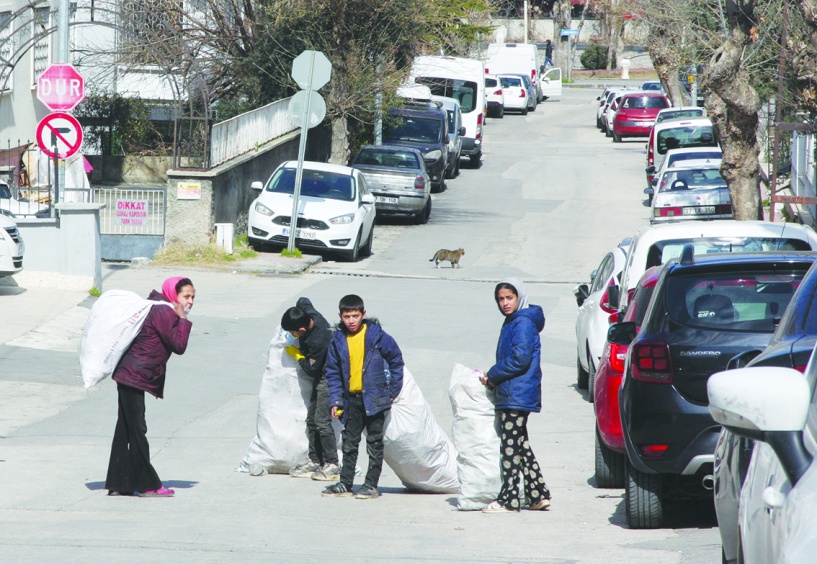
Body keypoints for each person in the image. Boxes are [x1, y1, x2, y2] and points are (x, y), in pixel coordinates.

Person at [105, 277, 195, 497]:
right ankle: (148, 485)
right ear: (174, 294)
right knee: (137, 430)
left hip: (129, 374)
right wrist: (183, 319)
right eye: (186, 296)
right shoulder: (163, 312)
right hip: (134, 375)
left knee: (125, 429)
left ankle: (119, 483)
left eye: (192, 297)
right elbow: (179, 345)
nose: (190, 301)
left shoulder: (157, 307)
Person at [478, 277, 551, 513]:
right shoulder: (515, 320)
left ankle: (508, 499)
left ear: (519, 297)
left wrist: (492, 374)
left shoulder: (522, 322)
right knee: (519, 444)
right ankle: (537, 494)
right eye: (501, 299)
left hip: (516, 392)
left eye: (510, 298)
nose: (505, 303)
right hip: (514, 391)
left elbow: (520, 360)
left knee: (509, 447)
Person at [321, 294, 404, 500]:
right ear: (340, 316)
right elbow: (332, 372)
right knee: (349, 443)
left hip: (375, 398)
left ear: (363, 314)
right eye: (347, 316)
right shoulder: (337, 340)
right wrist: (336, 400)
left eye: (355, 316)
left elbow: (396, 361)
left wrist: (392, 391)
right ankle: (346, 483)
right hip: (351, 401)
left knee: (374, 443)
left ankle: (370, 485)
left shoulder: (377, 336)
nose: (351, 321)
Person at [281, 297, 339, 481]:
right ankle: (315, 460)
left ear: (303, 329)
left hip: (328, 377)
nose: (293, 335)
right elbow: (303, 299)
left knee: (321, 421)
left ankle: (332, 464)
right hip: (321, 375)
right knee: (311, 420)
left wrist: (299, 356)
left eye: (294, 333)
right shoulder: (308, 312)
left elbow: (312, 369)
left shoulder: (319, 340)